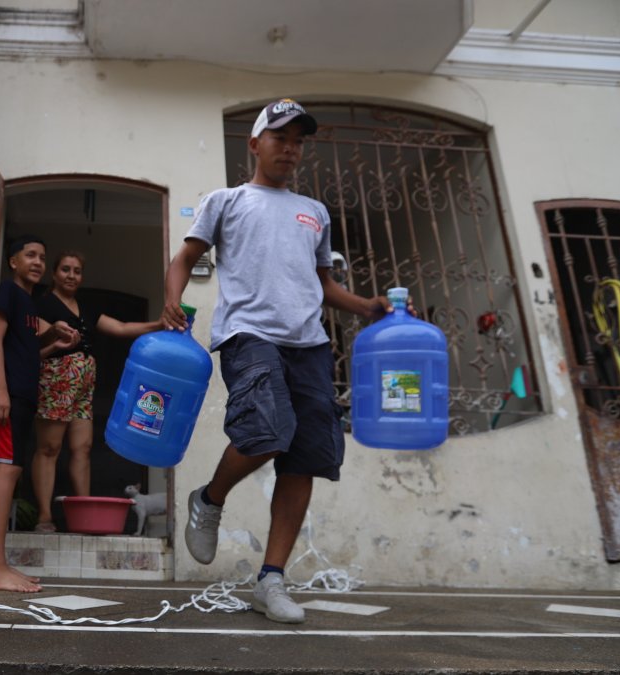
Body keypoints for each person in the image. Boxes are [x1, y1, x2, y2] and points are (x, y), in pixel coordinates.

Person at [160, 99, 413, 623]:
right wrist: (171, 300)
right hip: (248, 336)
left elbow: (322, 285)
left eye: (299, 141)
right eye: (280, 138)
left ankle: (271, 580)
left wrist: (365, 305)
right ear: (255, 144)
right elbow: (186, 256)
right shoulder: (226, 201)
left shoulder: (314, 212)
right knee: (266, 431)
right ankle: (209, 498)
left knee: (306, 458)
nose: (291, 149)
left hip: (310, 345)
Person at [30, 251, 164, 533]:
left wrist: (160, 325)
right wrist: (56, 334)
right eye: (65, 269)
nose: (71, 275)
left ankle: (84, 516)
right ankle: (44, 517)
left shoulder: (85, 306)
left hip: (84, 384)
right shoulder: (42, 304)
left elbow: (121, 327)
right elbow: (37, 343)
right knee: (50, 448)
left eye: (77, 271)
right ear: (54, 274)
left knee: (83, 448)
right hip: (56, 379)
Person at [0, 234, 78, 592]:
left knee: (12, 469)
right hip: (11, 397)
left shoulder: (30, 304)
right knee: (6, 470)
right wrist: (1, 389)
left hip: (24, 396)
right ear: (13, 262)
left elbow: (24, 356)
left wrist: (53, 345)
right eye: (30, 255)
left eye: (41, 257)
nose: (37, 262)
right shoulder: (8, 292)